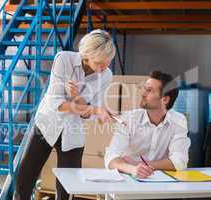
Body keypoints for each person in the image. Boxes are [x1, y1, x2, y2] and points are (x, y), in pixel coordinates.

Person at [13, 29, 116, 200]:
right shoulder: (64, 59)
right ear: (86, 54)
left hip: (73, 133)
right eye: (99, 62)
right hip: (46, 126)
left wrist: (79, 99)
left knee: (67, 191)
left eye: (108, 63)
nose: (104, 68)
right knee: (24, 182)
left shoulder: (106, 75)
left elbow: (88, 115)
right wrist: (94, 109)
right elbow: (56, 103)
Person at [105, 70, 191, 179]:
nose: (143, 93)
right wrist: (132, 169)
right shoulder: (129, 119)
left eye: (149, 90)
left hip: (160, 183)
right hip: (127, 181)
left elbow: (180, 161)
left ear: (164, 99)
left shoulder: (179, 120)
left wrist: (143, 167)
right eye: (144, 88)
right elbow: (111, 158)